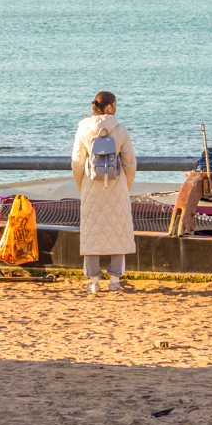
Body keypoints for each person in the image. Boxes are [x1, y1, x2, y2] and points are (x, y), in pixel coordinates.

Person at [71, 91, 137, 294]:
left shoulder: (83, 129)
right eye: (115, 104)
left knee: (92, 234)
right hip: (116, 186)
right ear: (109, 107)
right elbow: (129, 162)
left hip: (92, 186)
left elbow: (77, 162)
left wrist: (83, 186)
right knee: (118, 231)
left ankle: (93, 282)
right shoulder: (121, 131)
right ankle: (115, 281)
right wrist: (126, 185)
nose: (116, 107)